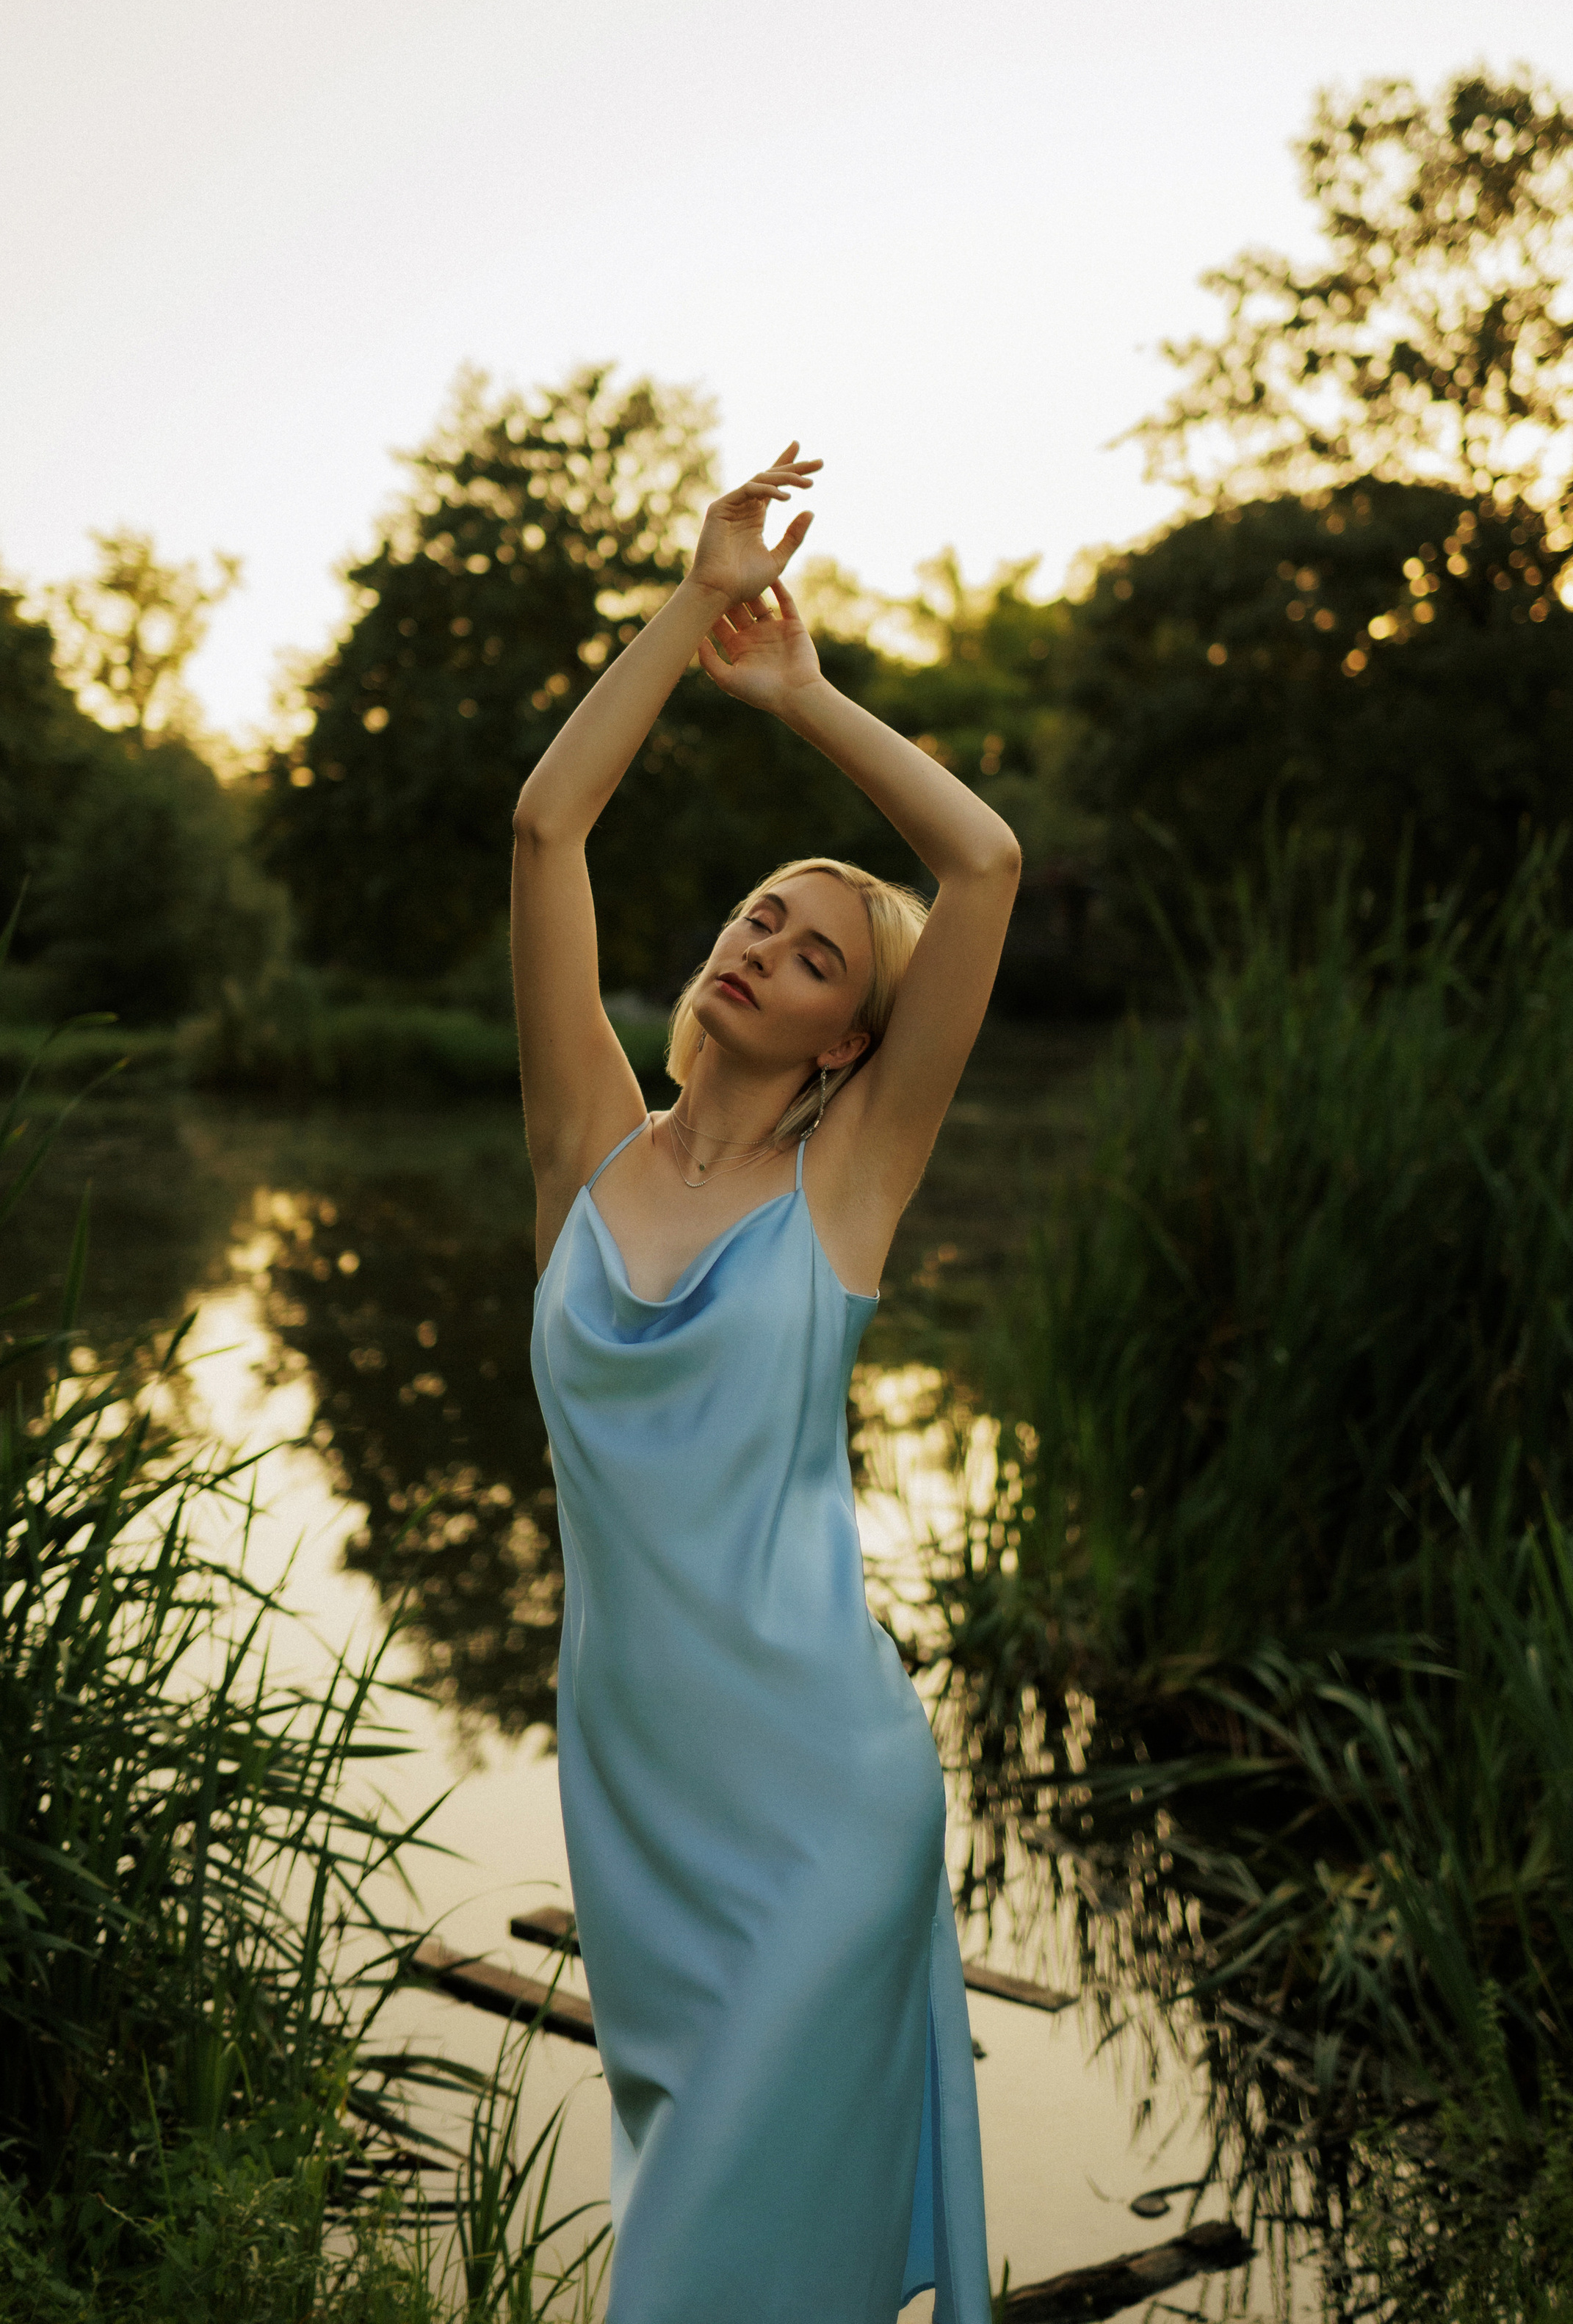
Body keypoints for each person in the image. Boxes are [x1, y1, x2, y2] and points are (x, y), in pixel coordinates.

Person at [514, 446, 1020, 2324]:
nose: (765, 950)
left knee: (689, 2277)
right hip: (640, 1805)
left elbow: (981, 865)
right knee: (725, 2241)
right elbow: (546, 830)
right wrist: (689, 608)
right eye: (758, 916)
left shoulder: (848, 1187)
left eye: (817, 957)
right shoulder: (582, 1151)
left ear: (843, 1041)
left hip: (823, 1797)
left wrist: (801, 694)